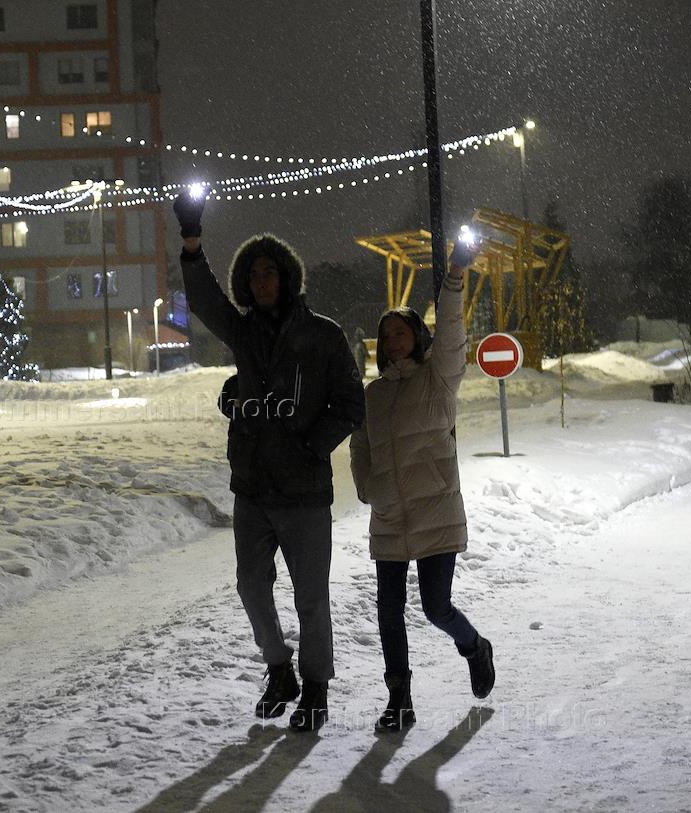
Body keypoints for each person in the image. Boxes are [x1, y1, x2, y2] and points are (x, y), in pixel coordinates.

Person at [173, 189, 366, 732]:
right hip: (254, 488)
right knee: (251, 586)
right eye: (253, 275)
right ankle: (279, 668)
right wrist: (192, 242)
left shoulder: (323, 335)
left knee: (311, 597)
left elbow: (351, 404)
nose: (261, 282)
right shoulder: (244, 333)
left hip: (304, 492)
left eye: (269, 273)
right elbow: (205, 300)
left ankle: (316, 689)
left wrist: (311, 446)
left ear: (286, 277)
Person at [349, 243, 495, 734]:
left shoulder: (439, 379)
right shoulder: (373, 395)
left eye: (401, 331)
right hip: (389, 515)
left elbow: (453, 333)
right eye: (386, 334)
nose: (393, 340)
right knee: (388, 613)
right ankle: (399, 700)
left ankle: (474, 645)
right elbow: (360, 443)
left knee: (435, 607)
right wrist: (367, 487)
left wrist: (454, 277)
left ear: (417, 335)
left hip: (436, 511)